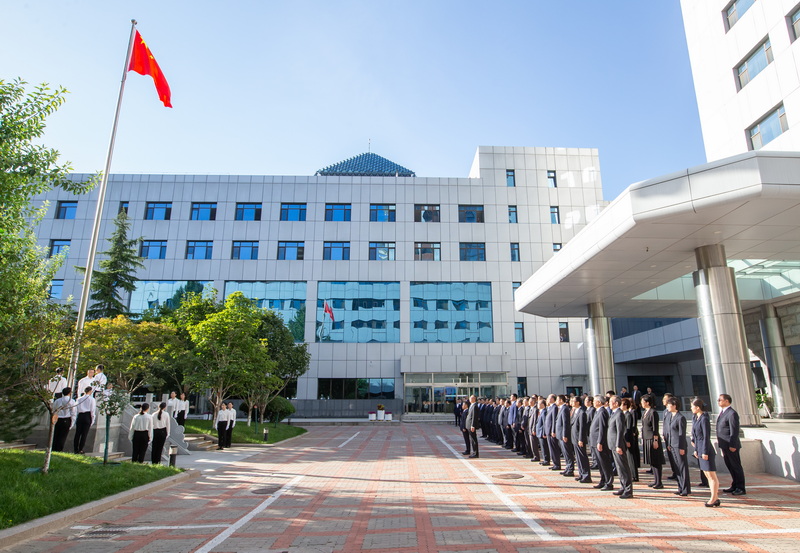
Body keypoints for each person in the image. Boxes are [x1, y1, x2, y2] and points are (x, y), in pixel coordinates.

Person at [691, 398, 720, 507]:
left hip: (705, 450)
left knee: (711, 475)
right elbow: (695, 435)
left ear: (698, 407)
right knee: (707, 475)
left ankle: (713, 498)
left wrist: (704, 451)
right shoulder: (696, 418)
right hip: (699, 448)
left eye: (692, 406)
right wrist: (696, 449)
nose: (691, 408)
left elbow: (706, 437)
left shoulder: (704, 419)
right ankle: (715, 497)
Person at [717, 394, 746, 496]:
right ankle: (734, 484)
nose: (718, 401)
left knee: (736, 466)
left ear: (726, 401)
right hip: (724, 445)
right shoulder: (723, 412)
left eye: (720, 400)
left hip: (731, 445)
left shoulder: (732, 413)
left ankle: (740, 487)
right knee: (730, 466)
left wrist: (733, 445)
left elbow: (734, 431)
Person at [608, 396, 633, 498]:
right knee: (619, 467)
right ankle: (623, 486)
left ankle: (628, 490)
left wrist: (618, 445)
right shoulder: (614, 413)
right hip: (613, 444)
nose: (609, 403)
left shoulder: (619, 414)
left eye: (611, 402)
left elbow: (620, 431)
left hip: (618, 444)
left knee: (623, 467)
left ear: (616, 403)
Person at [665, 397, 691, 496]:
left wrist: (682, 447)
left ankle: (685, 489)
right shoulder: (670, 416)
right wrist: (668, 444)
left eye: (669, 405)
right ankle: (680, 487)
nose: (667, 406)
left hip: (679, 446)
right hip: (672, 445)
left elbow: (682, 434)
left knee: (682, 467)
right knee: (676, 467)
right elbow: (669, 432)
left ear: (674, 406)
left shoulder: (680, 418)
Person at [640, 394, 664, 489]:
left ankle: (659, 482)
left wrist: (655, 440)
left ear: (647, 402)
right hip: (646, 438)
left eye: (643, 402)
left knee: (656, 461)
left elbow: (655, 427)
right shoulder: (645, 412)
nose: (641, 403)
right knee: (652, 461)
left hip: (652, 439)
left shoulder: (653, 412)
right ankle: (655, 480)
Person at [589, 395, 612, 490]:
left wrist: (600, 442)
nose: (593, 402)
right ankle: (603, 480)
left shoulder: (602, 412)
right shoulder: (598, 411)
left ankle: (608, 482)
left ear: (599, 402)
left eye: (594, 401)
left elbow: (602, 429)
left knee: (604, 463)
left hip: (599, 442)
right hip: (594, 441)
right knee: (600, 463)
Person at [571, 396, 591, 483]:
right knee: (578, 457)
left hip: (579, 438)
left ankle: (586, 475)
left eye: (573, 401)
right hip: (574, 437)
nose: (572, 403)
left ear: (578, 402)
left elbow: (582, 427)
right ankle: (581, 474)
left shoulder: (582, 413)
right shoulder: (575, 411)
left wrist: (581, 439)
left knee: (582, 457)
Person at [621, 398, 640, 482]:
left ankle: (634, 475)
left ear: (625, 405)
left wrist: (627, 440)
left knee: (631, 457)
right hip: (625, 438)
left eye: (621, 404)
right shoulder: (624, 414)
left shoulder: (628, 415)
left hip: (629, 439)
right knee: (628, 457)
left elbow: (628, 428)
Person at [51, 387, 76, 452]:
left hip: (58, 419)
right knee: (63, 436)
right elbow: (73, 413)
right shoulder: (71, 401)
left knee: (56, 435)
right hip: (66, 419)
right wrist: (72, 423)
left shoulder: (57, 401)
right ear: (70, 393)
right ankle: (59, 449)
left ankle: (54, 448)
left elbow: (54, 410)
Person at [73, 386, 96, 454]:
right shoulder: (92, 399)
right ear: (90, 391)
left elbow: (76, 409)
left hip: (80, 415)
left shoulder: (79, 399)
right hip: (87, 415)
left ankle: (75, 449)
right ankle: (81, 449)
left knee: (77, 433)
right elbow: (92, 410)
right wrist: (92, 419)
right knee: (84, 434)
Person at [555, 395, 574, 476]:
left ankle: (570, 469)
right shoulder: (561, 408)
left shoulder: (565, 408)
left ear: (561, 400)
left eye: (557, 400)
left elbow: (565, 423)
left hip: (563, 435)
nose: (556, 401)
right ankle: (567, 467)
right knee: (564, 452)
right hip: (560, 434)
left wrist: (565, 434)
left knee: (567, 452)